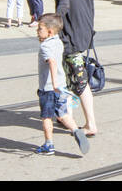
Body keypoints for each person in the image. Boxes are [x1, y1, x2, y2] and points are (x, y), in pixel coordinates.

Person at [53, 0, 99, 137]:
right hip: (85, 30)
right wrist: (90, 30)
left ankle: (91, 123)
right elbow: (90, 5)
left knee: (79, 81)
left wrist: (50, 24)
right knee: (68, 75)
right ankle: (67, 115)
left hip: (68, 33)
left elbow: (63, 6)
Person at [34, 13, 90, 157]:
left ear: (50, 31)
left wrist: (53, 84)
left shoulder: (46, 46)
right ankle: (76, 130)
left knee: (46, 117)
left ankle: (48, 145)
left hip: (49, 88)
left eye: (40, 28)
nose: (37, 31)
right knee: (63, 114)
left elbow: (51, 62)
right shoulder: (58, 41)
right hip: (62, 86)